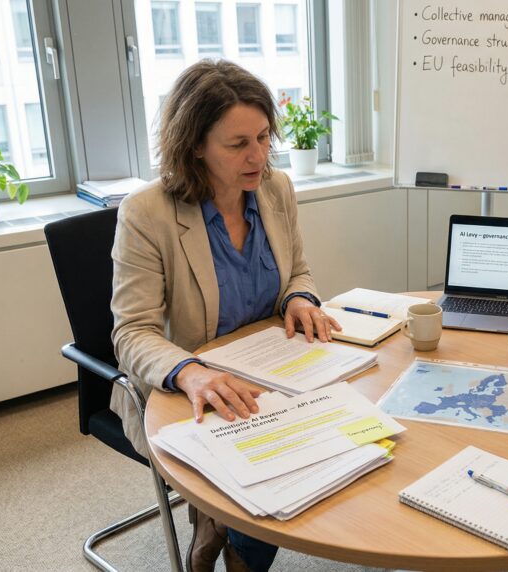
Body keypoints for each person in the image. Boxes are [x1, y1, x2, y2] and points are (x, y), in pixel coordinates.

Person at [111, 60, 339, 572]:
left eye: (262, 136)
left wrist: (299, 299)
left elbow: (297, 271)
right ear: (195, 145)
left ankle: (227, 539)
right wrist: (192, 372)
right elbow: (132, 331)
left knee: (341, 429)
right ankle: (235, 548)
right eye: (238, 145)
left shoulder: (274, 188)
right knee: (273, 455)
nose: (258, 156)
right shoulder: (147, 213)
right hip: (186, 385)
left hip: (273, 367)